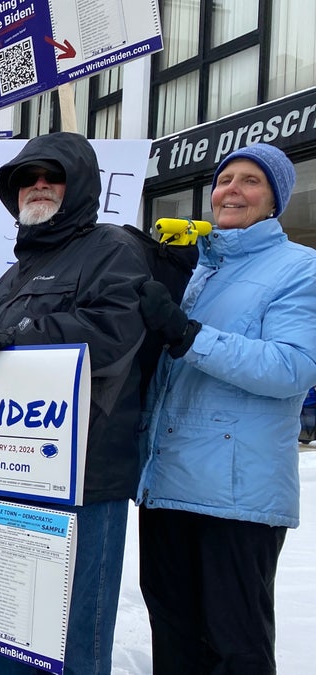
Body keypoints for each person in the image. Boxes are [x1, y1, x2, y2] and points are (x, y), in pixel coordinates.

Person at [0, 132, 150, 675]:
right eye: (28, 177)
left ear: (81, 187)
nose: (38, 185)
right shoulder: (9, 274)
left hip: (84, 479)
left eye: (52, 176)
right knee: (15, 628)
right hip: (13, 473)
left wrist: (20, 335)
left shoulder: (114, 248)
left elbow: (112, 330)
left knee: (74, 641)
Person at [136, 143, 316, 674]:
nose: (231, 189)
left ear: (276, 199)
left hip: (235, 498)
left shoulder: (299, 268)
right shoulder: (199, 272)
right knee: (174, 642)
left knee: (234, 648)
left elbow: (292, 369)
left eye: (251, 181)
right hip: (167, 485)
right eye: (225, 179)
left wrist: (187, 334)